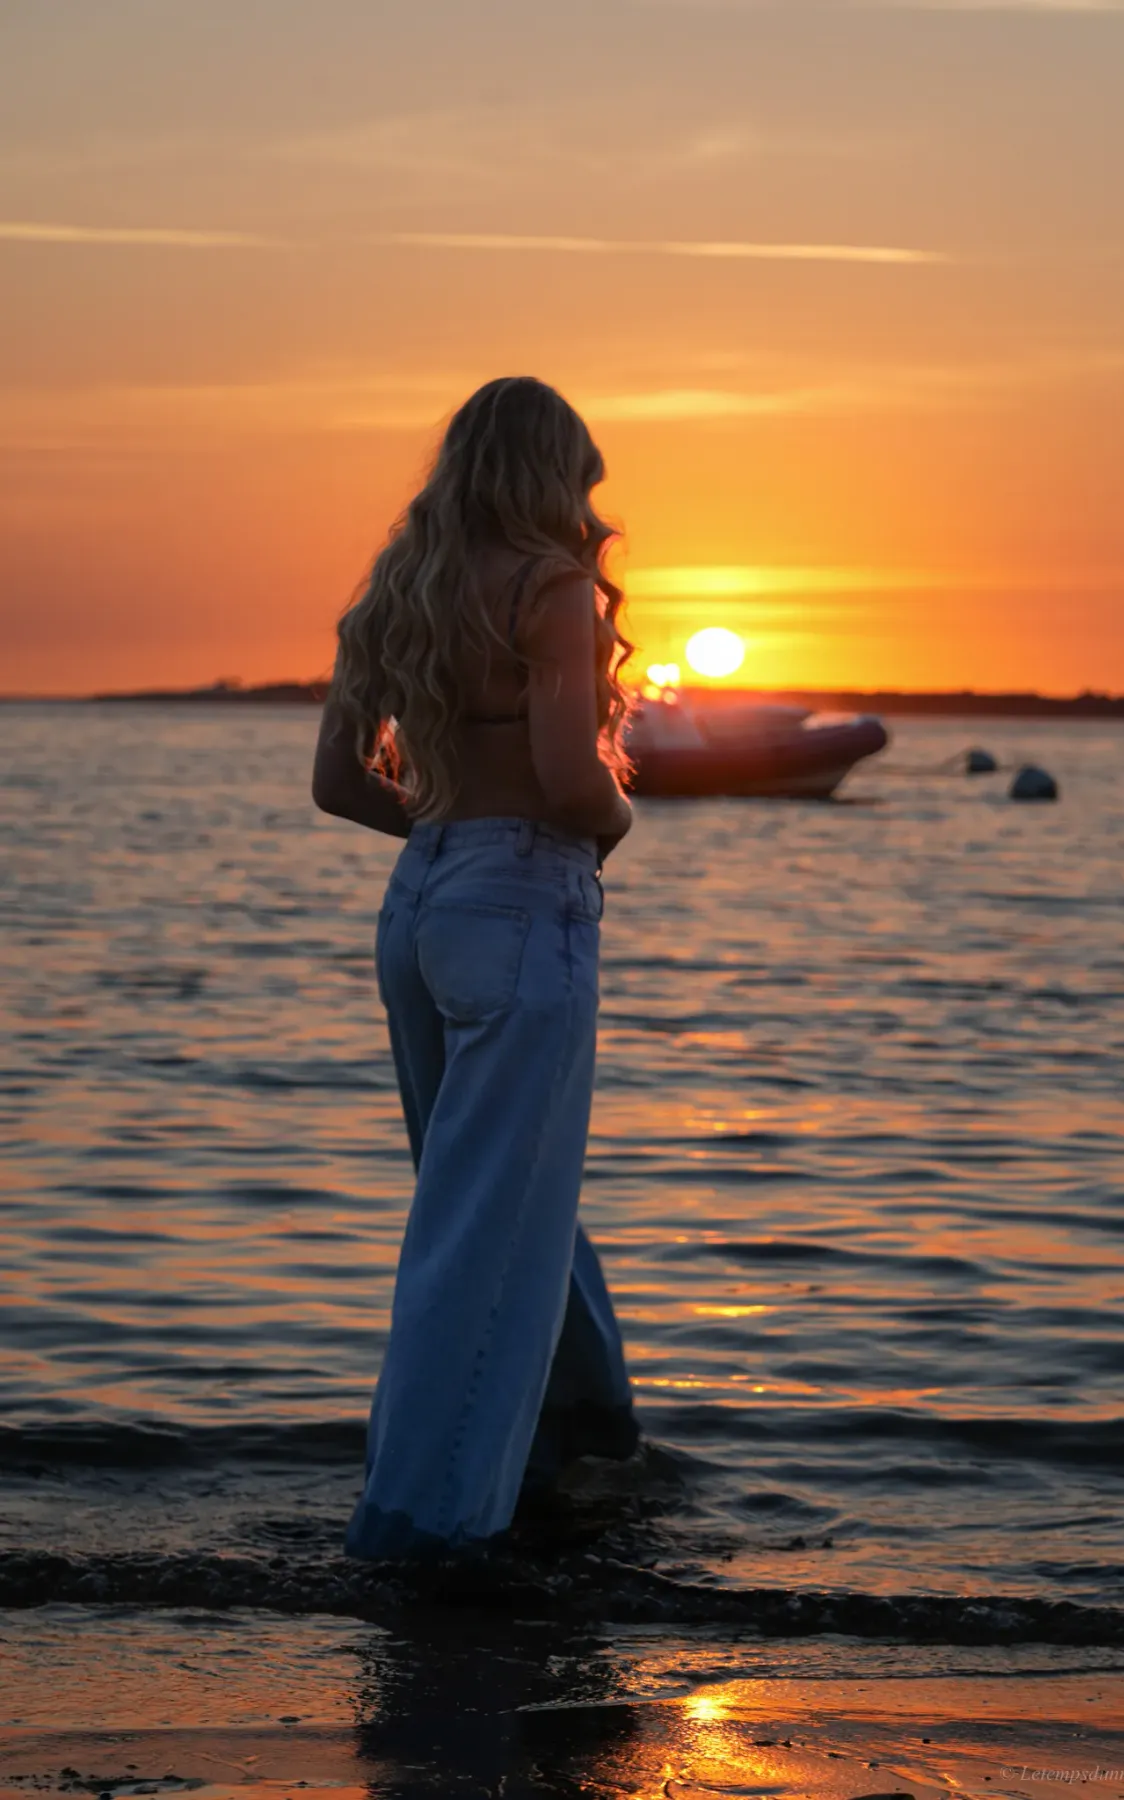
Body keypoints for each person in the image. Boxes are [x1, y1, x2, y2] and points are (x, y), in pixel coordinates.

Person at [312, 375, 640, 1560]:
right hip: (517, 904)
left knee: (503, 1200)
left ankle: (584, 1436)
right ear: (551, 475)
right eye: (585, 483)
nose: (591, 510)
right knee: (482, 1224)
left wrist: (454, 845)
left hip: (421, 906)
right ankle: (422, 1530)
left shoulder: (400, 587)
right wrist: (613, 825)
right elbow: (567, 777)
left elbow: (339, 783)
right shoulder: (549, 590)